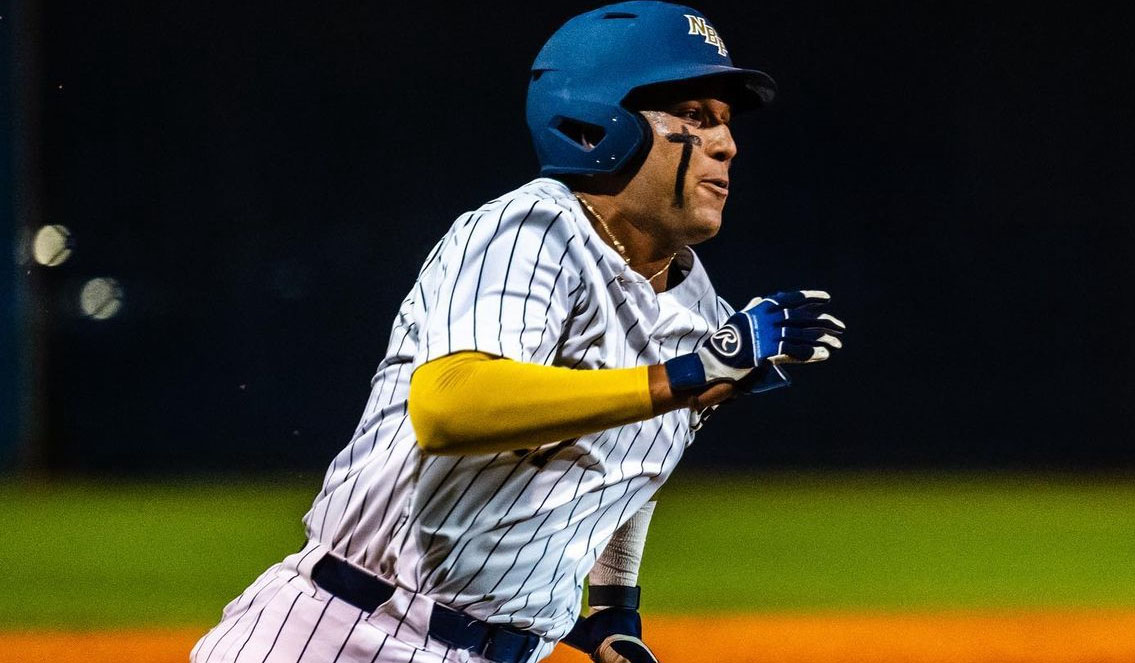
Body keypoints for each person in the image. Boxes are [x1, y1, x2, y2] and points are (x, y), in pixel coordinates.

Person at [191, 3, 844, 662]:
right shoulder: (530, 231)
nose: (726, 143)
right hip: (350, 635)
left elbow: (626, 467)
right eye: (694, 116)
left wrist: (613, 609)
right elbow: (449, 403)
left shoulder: (699, 311)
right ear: (599, 123)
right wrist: (685, 376)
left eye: (725, 123)